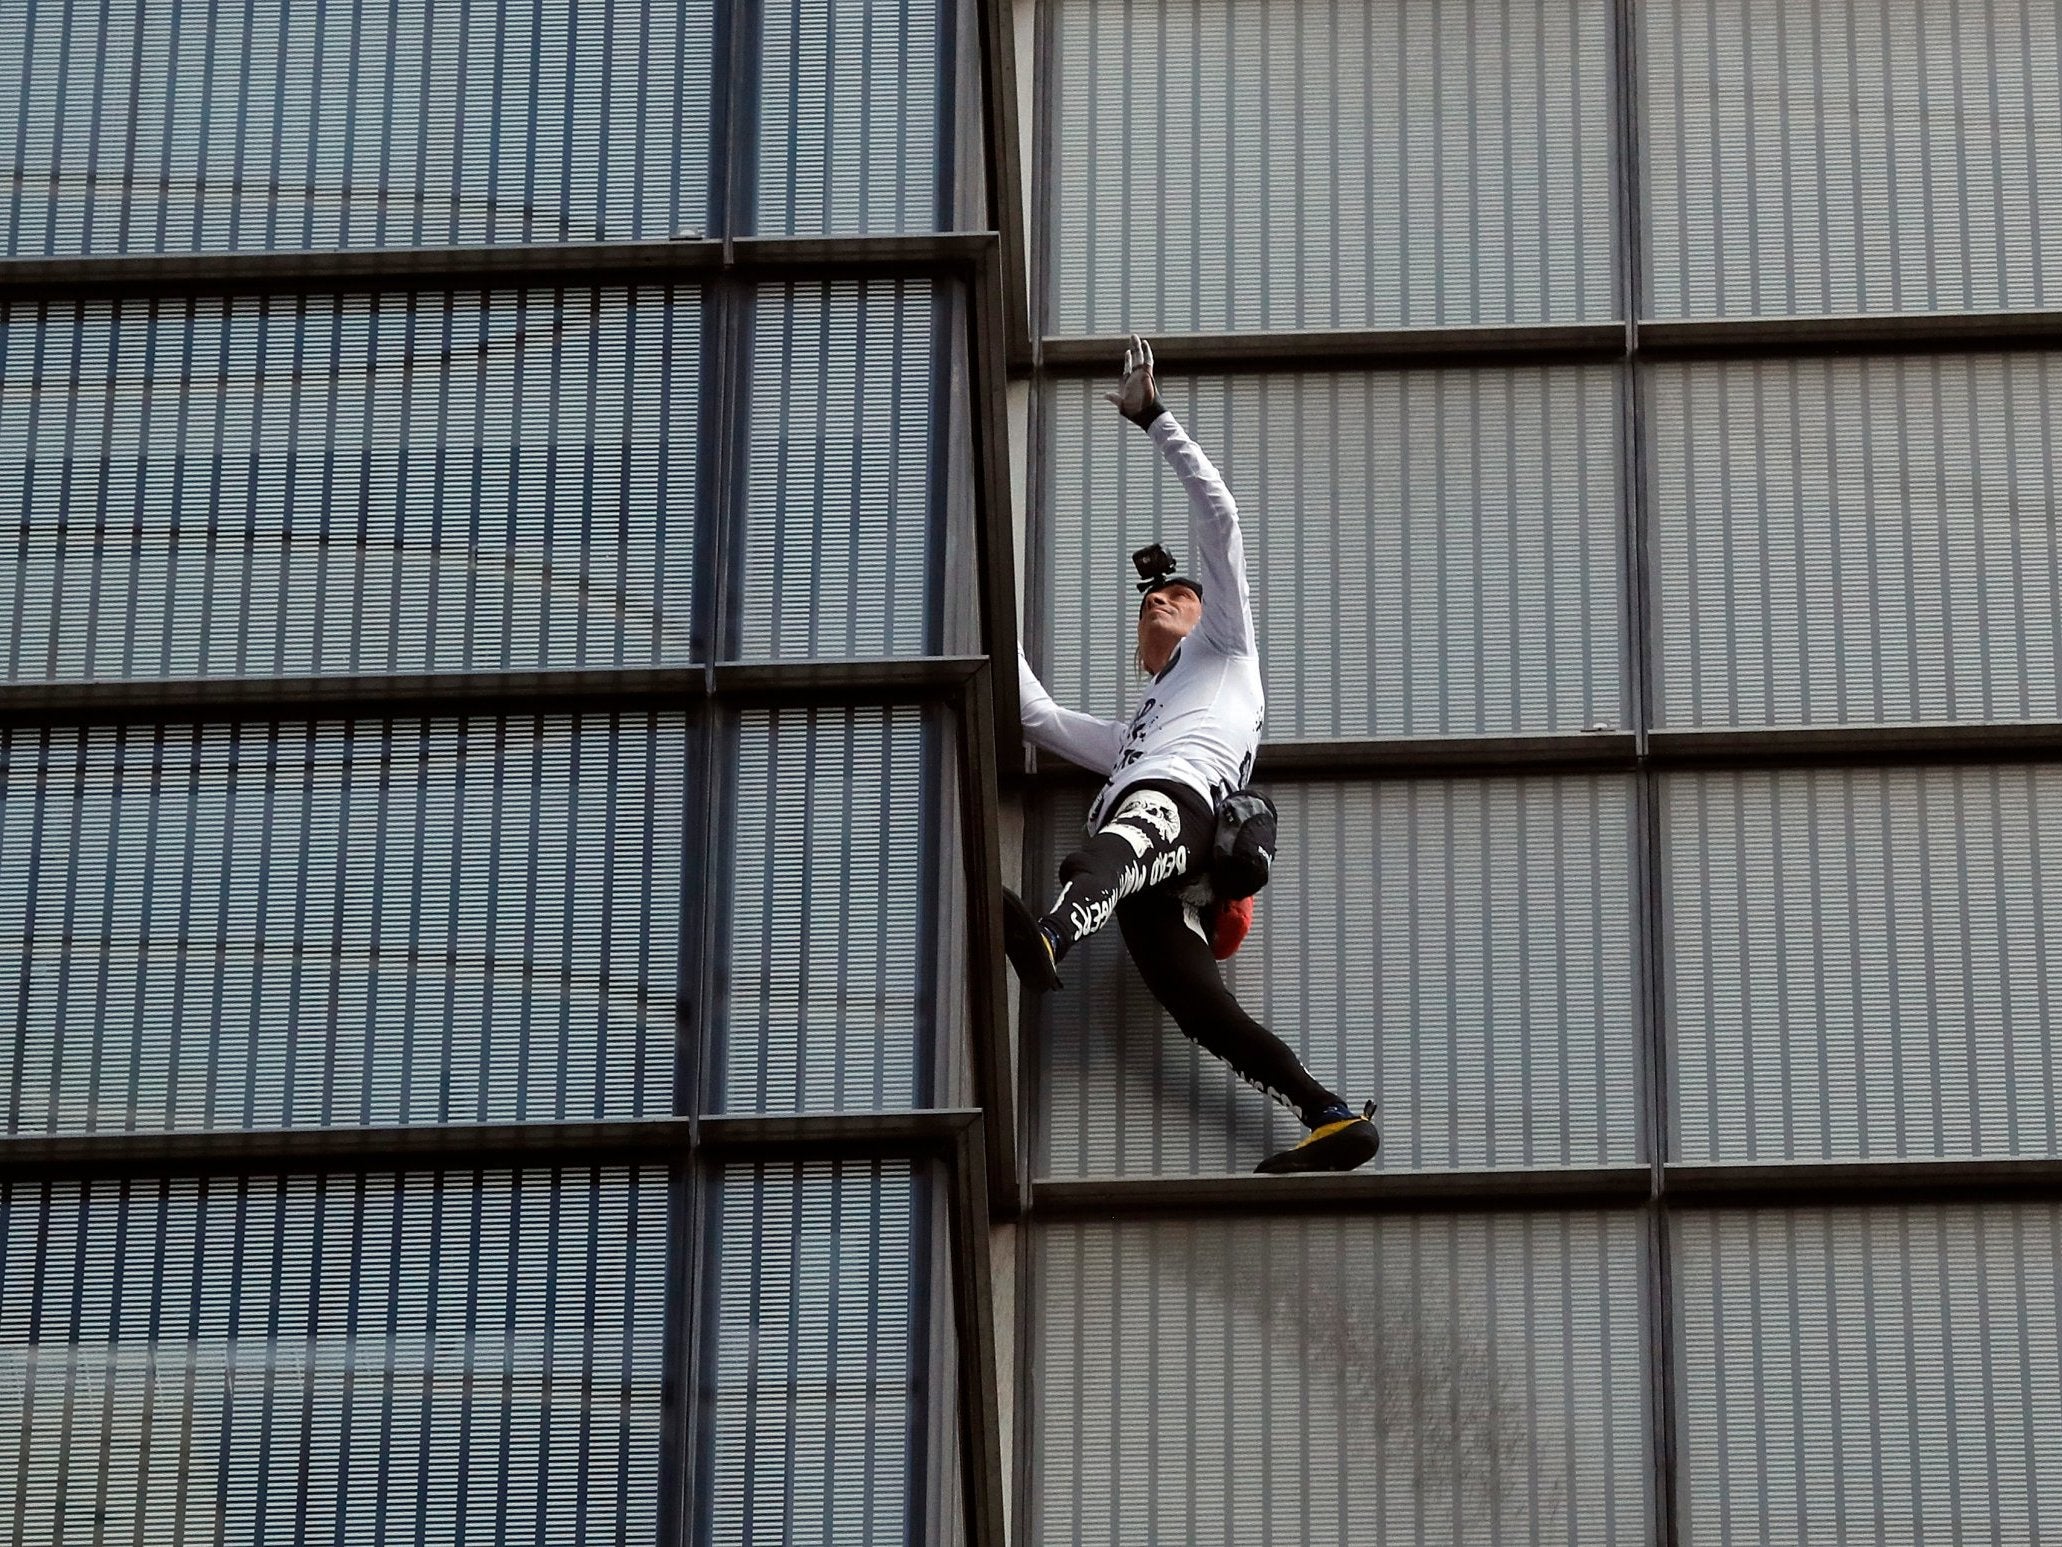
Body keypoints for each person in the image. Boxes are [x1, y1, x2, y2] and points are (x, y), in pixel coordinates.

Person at [1005, 336, 1378, 1174]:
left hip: (1181, 810)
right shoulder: (1132, 728)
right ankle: (1329, 1113)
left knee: (1118, 837)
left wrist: (1155, 418)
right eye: (1152, 601)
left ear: (1208, 613)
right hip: (1161, 860)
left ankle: (1053, 934)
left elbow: (1221, 519)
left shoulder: (1227, 651)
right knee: (1202, 1011)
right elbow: (1033, 713)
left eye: (1179, 593)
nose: (1163, 599)